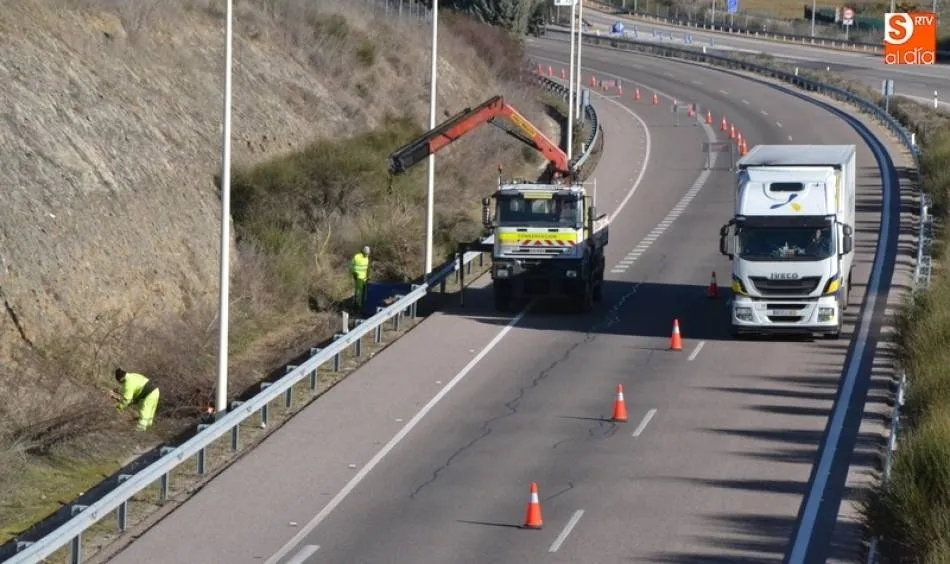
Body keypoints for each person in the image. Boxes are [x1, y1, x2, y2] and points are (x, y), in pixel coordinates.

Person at [350, 245, 370, 310]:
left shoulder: (367, 257)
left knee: (363, 292)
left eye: (368, 253)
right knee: (359, 292)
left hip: (364, 278)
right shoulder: (357, 256)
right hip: (358, 277)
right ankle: (358, 306)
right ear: (363, 251)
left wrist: (368, 276)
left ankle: (361, 304)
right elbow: (351, 266)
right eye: (366, 253)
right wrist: (353, 273)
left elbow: (366, 268)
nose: (367, 254)